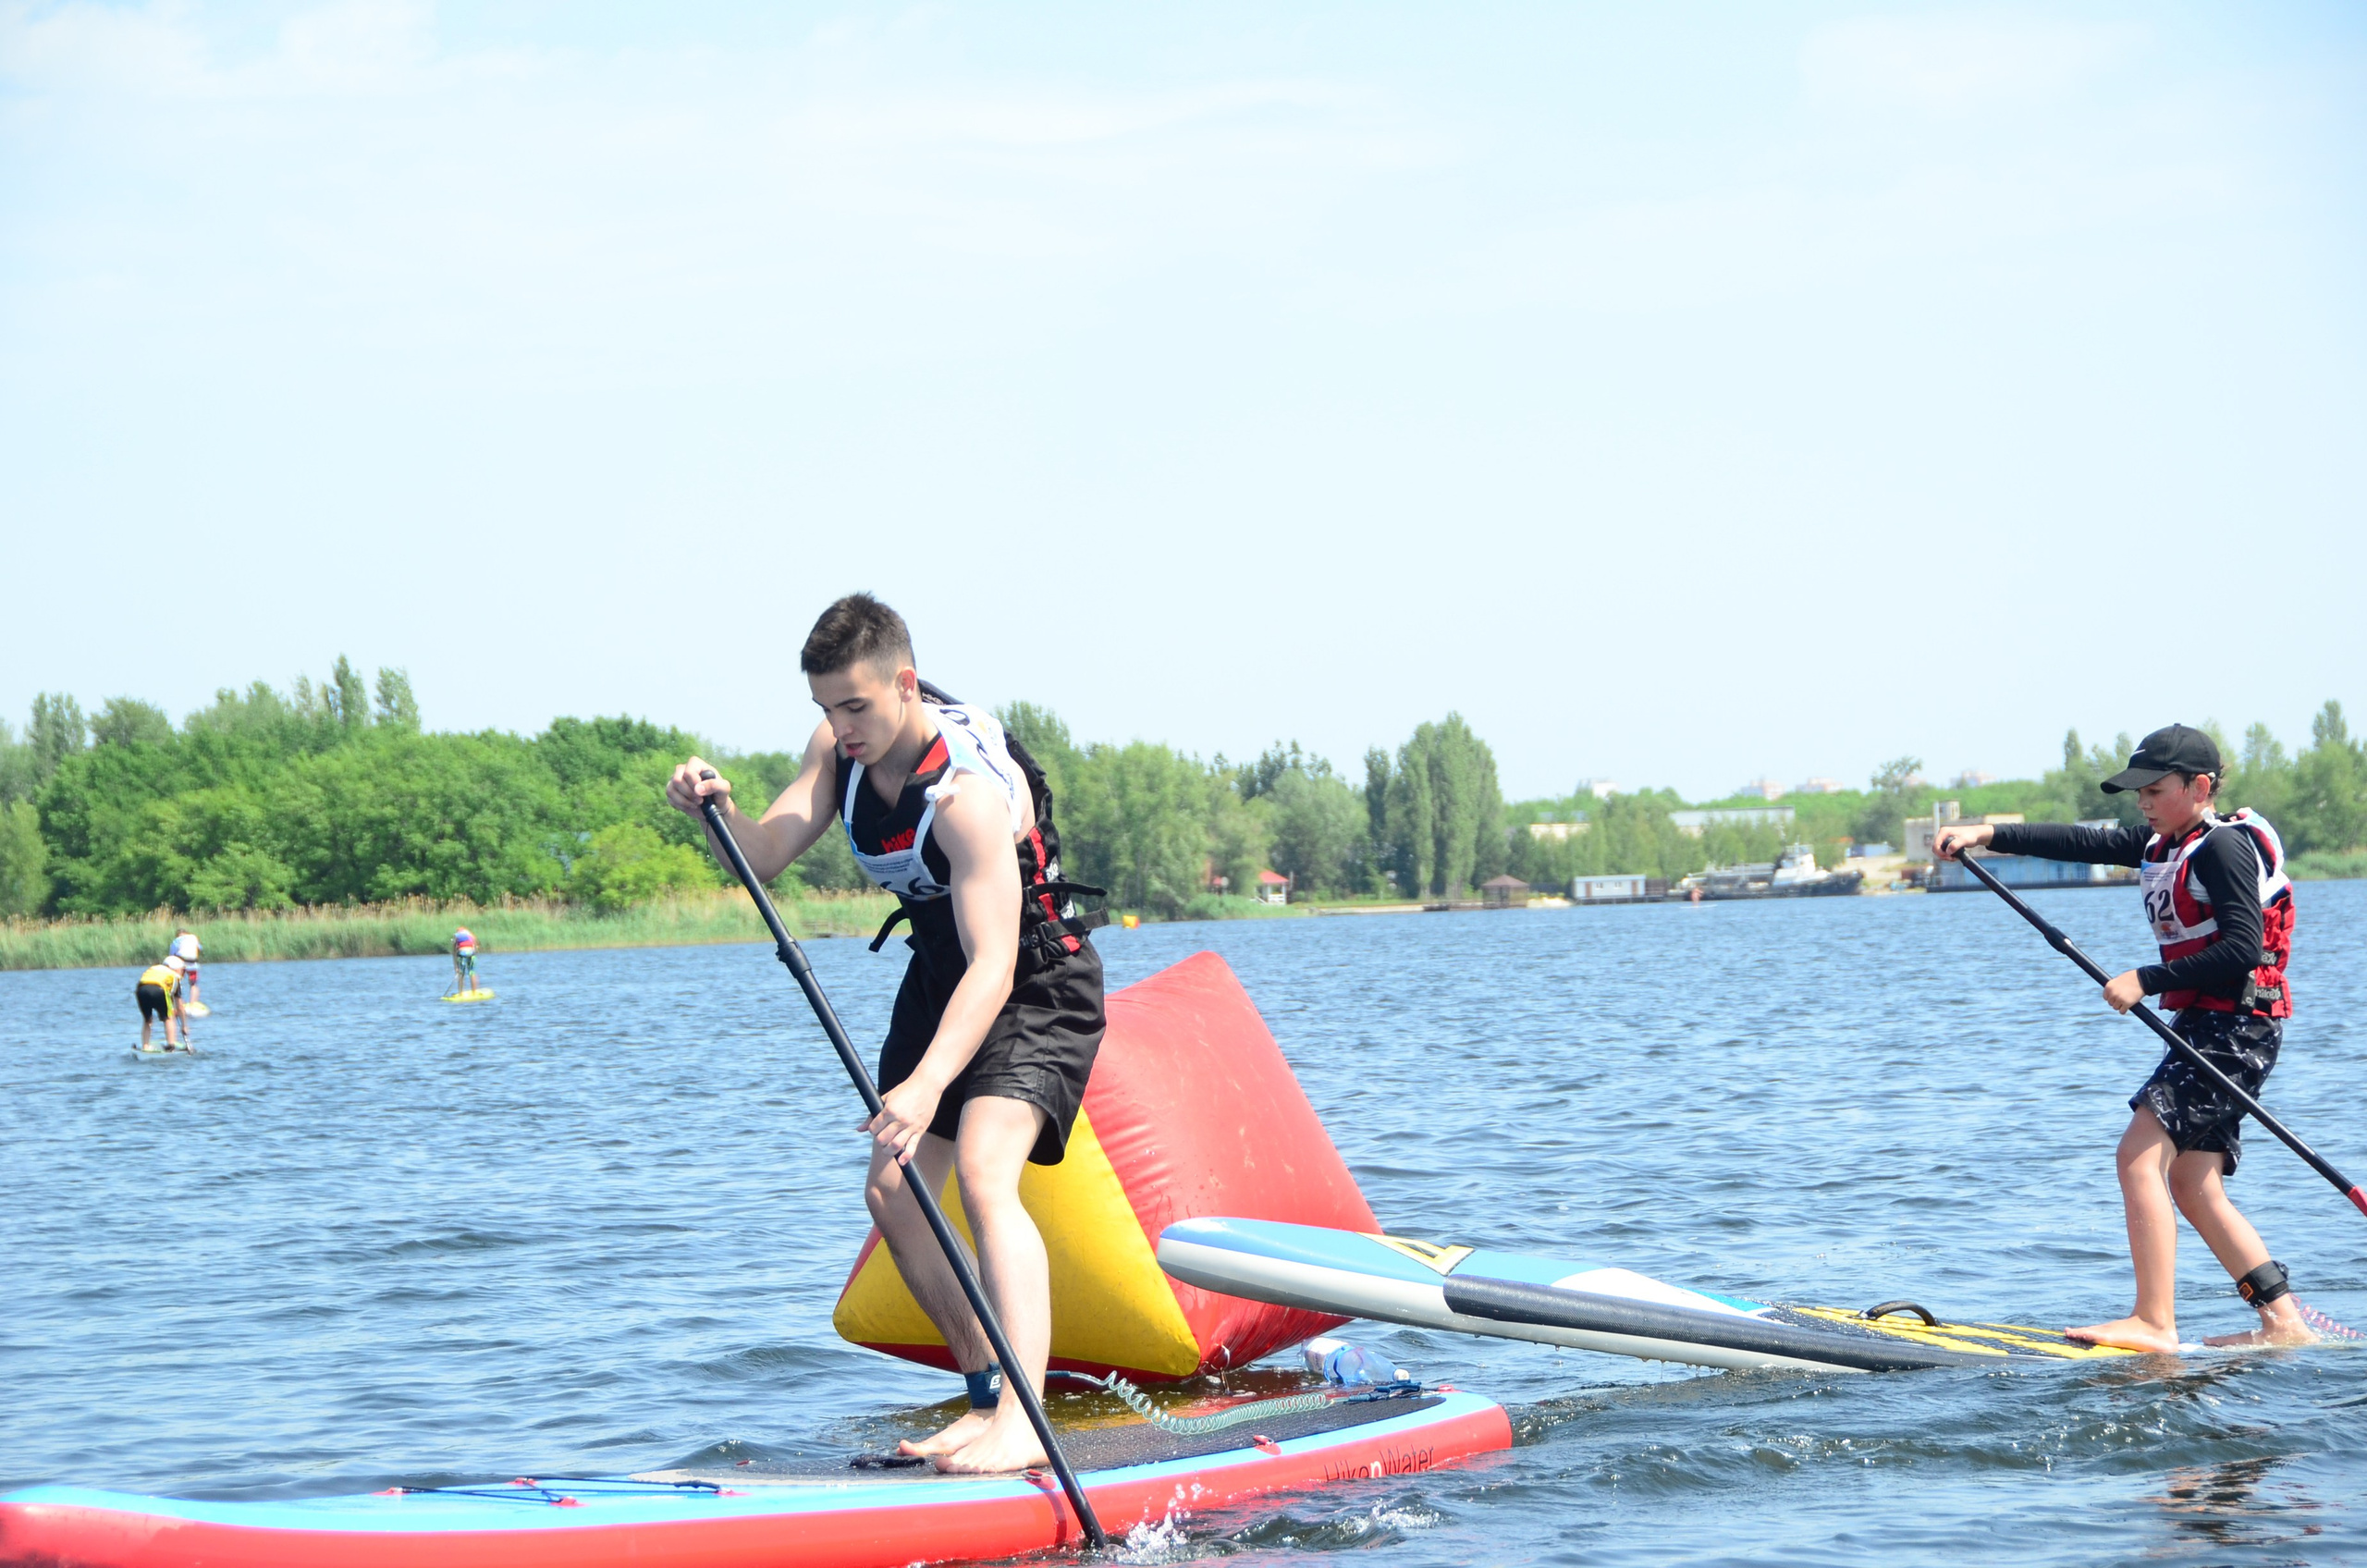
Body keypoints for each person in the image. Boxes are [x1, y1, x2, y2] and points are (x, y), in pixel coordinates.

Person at [667, 594, 1105, 1474]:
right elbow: (760, 855)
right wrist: (711, 810)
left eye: (856, 706)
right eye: (826, 708)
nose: (840, 726)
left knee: (983, 1172)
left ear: (905, 684)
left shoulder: (966, 796)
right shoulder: (840, 747)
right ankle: (986, 1399)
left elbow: (996, 967)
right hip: (944, 969)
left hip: (1034, 974)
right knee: (895, 1189)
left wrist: (926, 1084)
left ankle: (1026, 1418)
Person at [1934, 724, 2312, 1351]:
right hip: (2212, 1025)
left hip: (2236, 1027)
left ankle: (2155, 1322)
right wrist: (1987, 835)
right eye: (2136, 791)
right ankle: (2285, 1322)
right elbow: (2084, 840)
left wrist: (2146, 977)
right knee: (2192, 1182)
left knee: (2138, 1155)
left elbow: (2245, 948)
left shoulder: (2221, 849)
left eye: (2154, 789)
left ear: (2198, 787)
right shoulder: (2166, 843)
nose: (2141, 801)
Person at [136, 953, 188, 1050]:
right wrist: (184, 1026)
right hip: (159, 990)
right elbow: (180, 1006)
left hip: (141, 991)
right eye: (182, 970)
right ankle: (171, 1046)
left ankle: (145, 1047)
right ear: (175, 969)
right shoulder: (174, 976)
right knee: (168, 1018)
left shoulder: (155, 969)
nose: (182, 973)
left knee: (148, 1020)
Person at [169, 929, 202, 1021]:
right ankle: (192, 1005)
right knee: (194, 985)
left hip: (181, 961)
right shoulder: (193, 937)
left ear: (177, 935)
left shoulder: (176, 941)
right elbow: (199, 948)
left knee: (175, 984)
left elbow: (171, 955)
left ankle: (179, 1006)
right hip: (193, 962)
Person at [450, 928, 481, 997]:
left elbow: (454, 952)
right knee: (472, 973)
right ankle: (474, 993)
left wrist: (456, 967)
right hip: (471, 954)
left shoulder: (456, 936)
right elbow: (476, 946)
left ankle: (461, 993)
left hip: (461, 953)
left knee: (461, 974)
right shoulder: (471, 935)